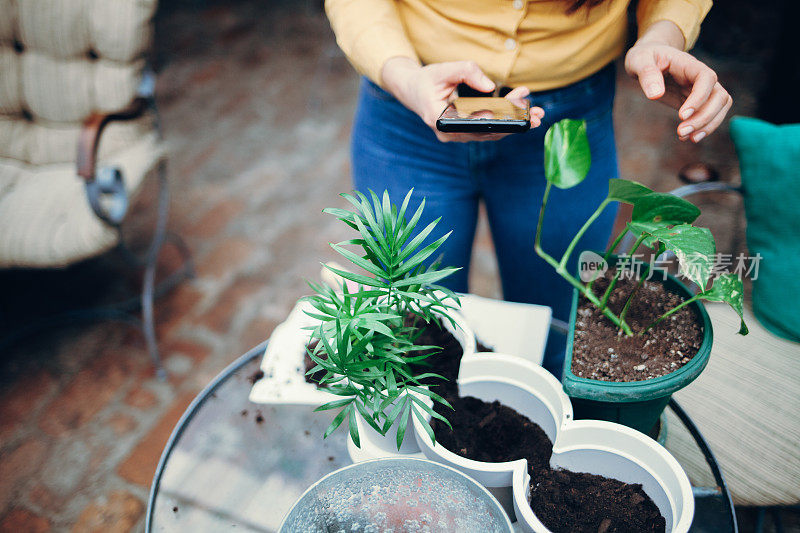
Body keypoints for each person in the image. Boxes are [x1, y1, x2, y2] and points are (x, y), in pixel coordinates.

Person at [324, 0, 730, 376]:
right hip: (406, 107)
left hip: (567, 119)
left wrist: (661, 36)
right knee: (418, 339)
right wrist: (403, 76)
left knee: (555, 333)